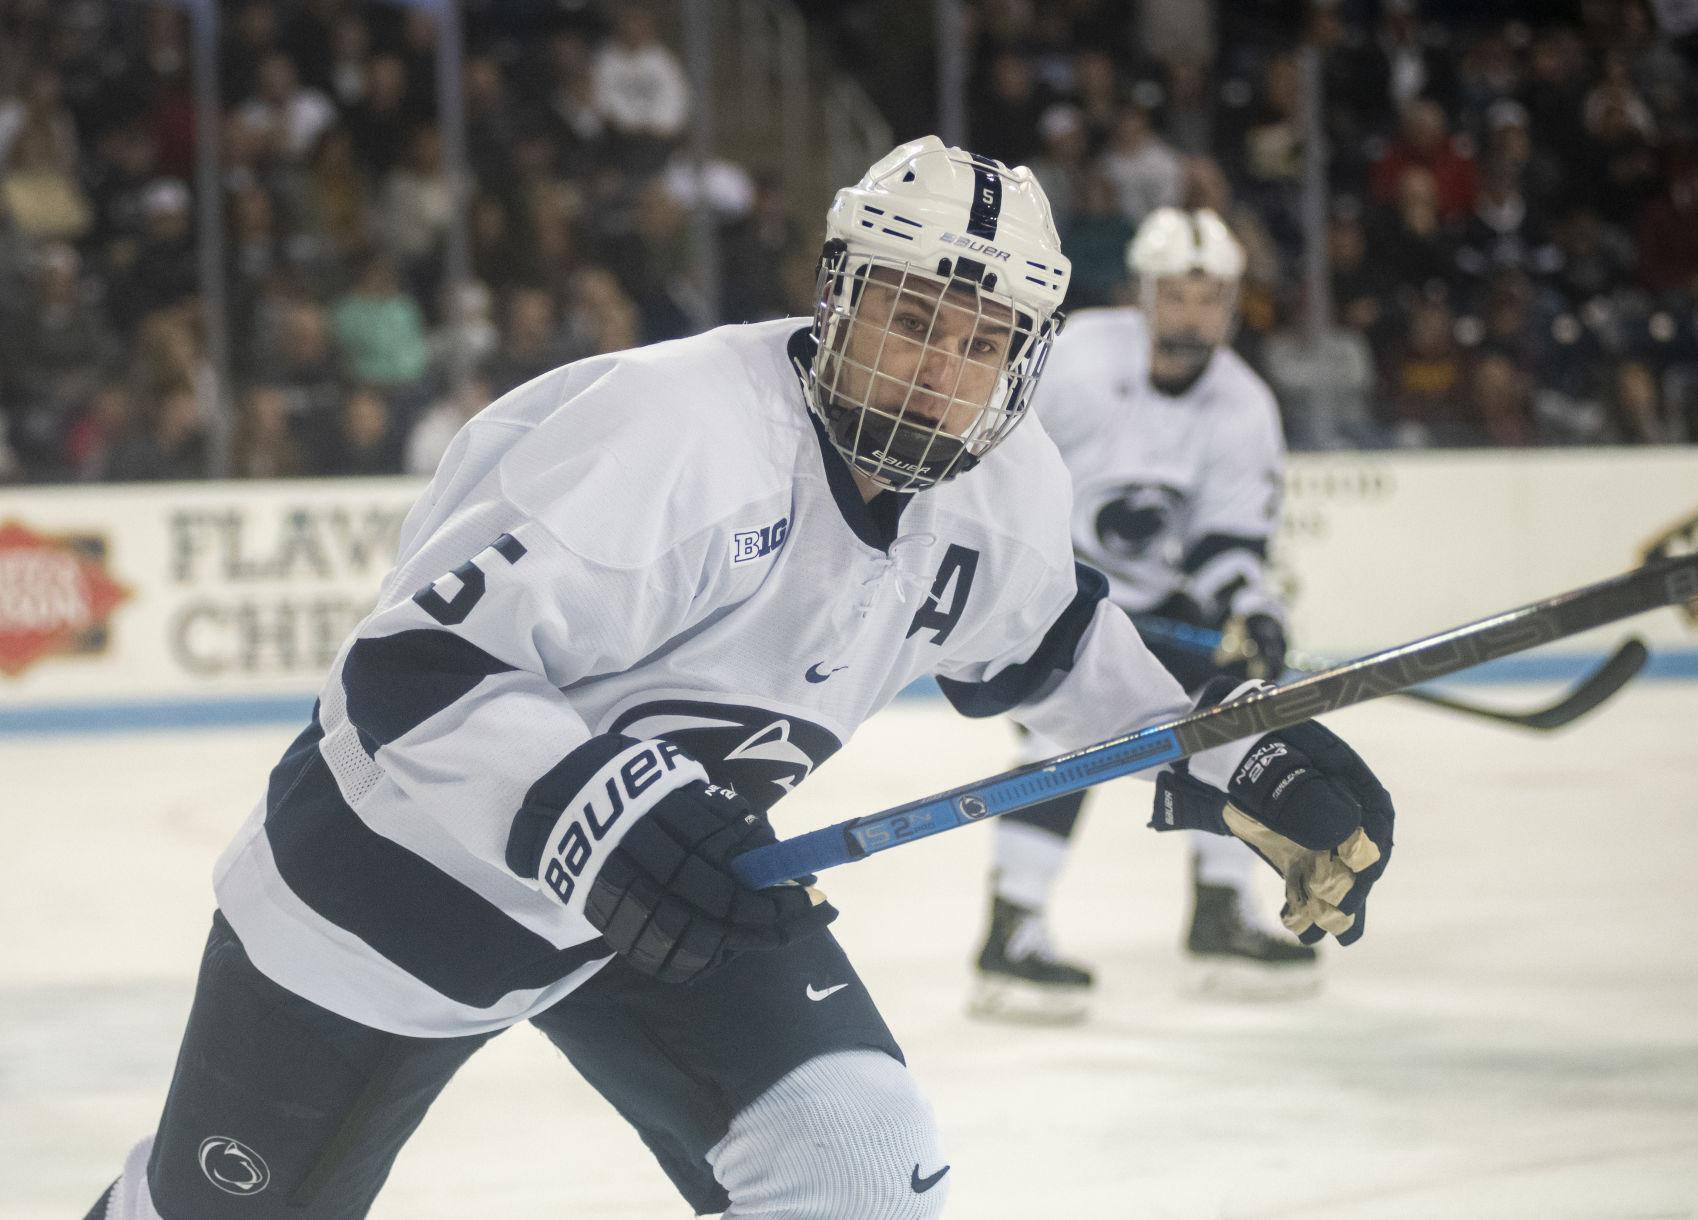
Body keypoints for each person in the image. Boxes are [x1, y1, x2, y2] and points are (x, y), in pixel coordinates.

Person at [83, 139, 1393, 1220]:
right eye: (906, 316)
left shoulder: (997, 492)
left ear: (1022, 363)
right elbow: (410, 677)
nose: (934, 371)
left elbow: (1072, 661)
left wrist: (1241, 753)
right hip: (392, 893)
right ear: (837, 296)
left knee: (859, 1168)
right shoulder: (673, 436)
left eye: (976, 342)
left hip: (671, 890)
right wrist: (607, 814)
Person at [971, 207, 1317, 1023]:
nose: (1193, 314)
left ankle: (1220, 914)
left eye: (1211, 298)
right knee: (1056, 738)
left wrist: (1252, 612)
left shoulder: (1244, 405)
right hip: (1049, 593)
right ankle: (1010, 933)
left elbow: (1226, 544)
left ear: (1233, 304)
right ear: (1144, 294)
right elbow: (988, 459)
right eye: (1178, 295)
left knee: (1239, 712)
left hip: (1157, 605)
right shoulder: (1075, 360)